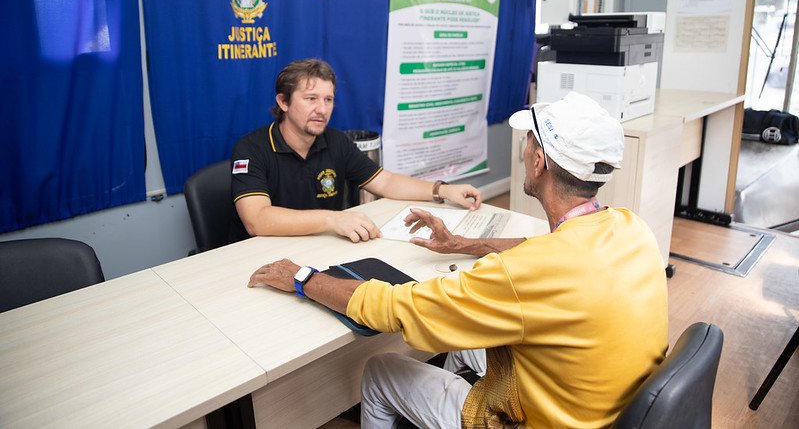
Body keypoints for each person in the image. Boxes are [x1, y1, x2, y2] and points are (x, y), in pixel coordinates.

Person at [247, 91, 668, 428]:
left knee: (379, 370)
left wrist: (303, 278)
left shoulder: (521, 274)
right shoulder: (632, 227)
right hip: (598, 406)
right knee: (468, 349)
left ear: (538, 161)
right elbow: (545, 251)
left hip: (540, 420)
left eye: (528, 143)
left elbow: (399, 309)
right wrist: (463, 244)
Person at [229, 58, 481, 243]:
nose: (322, 109)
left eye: (328, 99)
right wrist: (332, 219)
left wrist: (443, 190)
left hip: (323, 246)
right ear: (283, 102)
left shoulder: (336, 141)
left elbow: (387, 182)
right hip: (264, 252)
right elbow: (257, 220)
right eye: (311, 99)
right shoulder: (251, 149)